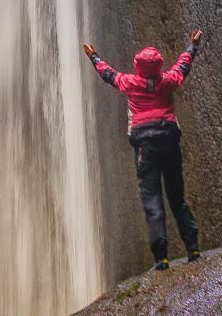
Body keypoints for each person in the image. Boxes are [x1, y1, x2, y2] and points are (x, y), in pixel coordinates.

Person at [82, 30, 203, 270]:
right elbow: (183, 66)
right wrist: (192, 46)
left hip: (145, 149)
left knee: (152, 200)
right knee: (177, 197)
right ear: (158, 67)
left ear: (138, 66)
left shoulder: (131, 83)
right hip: (168, 141)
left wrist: (93, 56)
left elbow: (108, 75)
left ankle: (161, 258)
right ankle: (193, 249)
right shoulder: (168, 80)